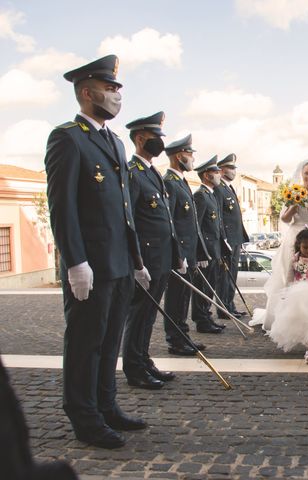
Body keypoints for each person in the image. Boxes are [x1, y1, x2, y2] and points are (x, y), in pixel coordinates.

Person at [44, 54, 149, 449]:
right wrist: (75, 262)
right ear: (87, 93)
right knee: (85, 343)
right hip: (91, 265)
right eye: (110, 88)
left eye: (118, 89)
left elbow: (124, 212)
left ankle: (107, 406)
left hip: (120, 264)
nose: (116, 95)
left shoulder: (114, 141)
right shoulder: (67, 138)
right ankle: (84, 417)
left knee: (108, 343)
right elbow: (62, 207)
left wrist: (136, 261)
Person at [122, 111, 179, 389]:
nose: (160, 142)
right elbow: (128, 220)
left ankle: (143, 360)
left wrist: (175, 255)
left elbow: (165, 220)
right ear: (141, 138)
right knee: (139, 314)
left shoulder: (151, 172)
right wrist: (136, 261)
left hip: (161, 257)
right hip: (146, 258)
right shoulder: (133, 173)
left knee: (149, 314)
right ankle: (134, 368)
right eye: (156, 137)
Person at [252, 160, 308, 329]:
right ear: (301, 174)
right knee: (293, 273)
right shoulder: (294, 191)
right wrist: (293, 207)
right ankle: (292, 313)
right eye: (306, 173)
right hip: (296, 237)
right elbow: (285, 219)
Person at [163, 134, 210, 356]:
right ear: (178, 155)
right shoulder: (169, 183)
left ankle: (182, 335)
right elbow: (171, 222)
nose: (192, 158)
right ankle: (175, 339)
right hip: (180, 254)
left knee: (183, 298)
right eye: (189, 154)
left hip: (189, 253)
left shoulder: (181, 182)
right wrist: (178, 254)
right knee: (176, 298)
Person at [267, 227, 308, 364]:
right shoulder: (294, 259)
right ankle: (305, 340)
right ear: (299, 245)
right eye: (305, 247)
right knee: (301, 320)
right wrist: (288, 293)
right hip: (298, 295)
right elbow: (290, 278)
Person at [191, 156, 226, 333]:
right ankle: (202, 321)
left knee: (210, 286)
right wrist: (200, 253)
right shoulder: (200, 196)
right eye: (216, 172)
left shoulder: (210, 196)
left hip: (214, 251)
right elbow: (195, 225)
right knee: (202, 288)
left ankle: (207, 317)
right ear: (206, 176)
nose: (219, 175)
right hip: (205, 252)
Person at [215, 153, 250, 319]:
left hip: (235, 239)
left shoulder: (229, 187)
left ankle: (230, 304)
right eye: (230, 168)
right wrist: (224, 240)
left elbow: (236, 217)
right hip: (228, 240)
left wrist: (242, 237)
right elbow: (220, 217)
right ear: (221, 170)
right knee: (225, 276)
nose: (234, 171)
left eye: (234, 168)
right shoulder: (219, 189)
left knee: (232, 275)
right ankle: (223, 308)